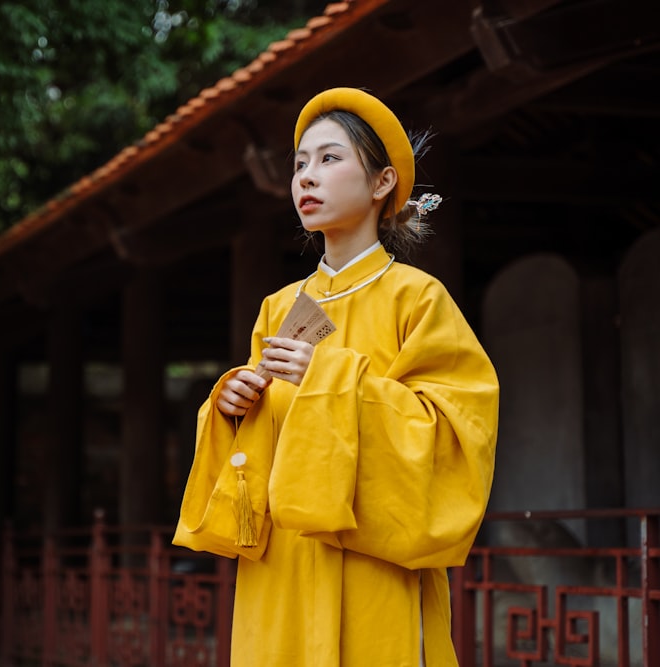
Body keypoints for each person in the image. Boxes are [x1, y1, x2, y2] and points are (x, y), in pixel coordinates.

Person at [173, 87, 499, 666]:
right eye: (299, 164)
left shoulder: (418, 299)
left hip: (374, 565)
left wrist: (326, 379)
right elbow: (256, 459)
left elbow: (454, 438)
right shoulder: (279, 307)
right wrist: (231, 408)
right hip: (283, 568)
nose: (306, 177)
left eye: (329, 159)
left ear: (382, 184)